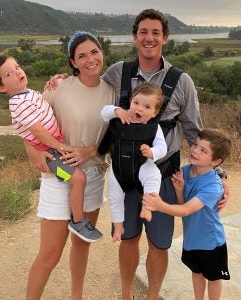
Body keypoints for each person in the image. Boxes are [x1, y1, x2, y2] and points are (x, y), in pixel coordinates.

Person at [46, 9, 229, 300]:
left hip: (163, 174)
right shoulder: (118, 72)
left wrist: (218, 176)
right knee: (128, 239)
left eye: (156, 32)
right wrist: (61, 80)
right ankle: (127, 295)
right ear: (134, 37)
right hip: (125, 171)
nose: (149, 38)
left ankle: (152, 296)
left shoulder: (182, 82)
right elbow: (88, 82)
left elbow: (196, 133)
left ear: (165, 38)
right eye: (143, 32)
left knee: (159, 244)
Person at [8, 31, 115, 299]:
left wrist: (90, 150)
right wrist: (32, 153)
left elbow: (117, 136)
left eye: (94, 51)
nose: (90, 59)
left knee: (81, 246)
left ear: (101, 52)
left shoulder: (113, 91)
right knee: (50, 253)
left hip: (93, 175)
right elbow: (29, 124)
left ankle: (76, 296)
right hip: (59, 176)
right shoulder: (59, 87)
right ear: (73, 62)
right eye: (82, 56)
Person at [0, 54, 102, 243]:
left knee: (77, 178)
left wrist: (58, 80)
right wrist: (60, 146)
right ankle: (78, 221)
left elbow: (44, 105)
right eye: (9, 74)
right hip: (51, 155)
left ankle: (76, 215)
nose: (17, 72)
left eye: (18, 67)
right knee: (79, 179)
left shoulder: (27, 94)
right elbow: (38, 131)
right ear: (1, 88)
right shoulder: (18, 104)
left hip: (54, 149)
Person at [143, 128, 231, 300]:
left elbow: (185, 210)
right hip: (191, 239)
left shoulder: (213, 186)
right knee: (196, 272)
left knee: (213, 278)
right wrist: (179, 190)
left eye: (203, 150)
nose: (195, 150)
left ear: (216, 161)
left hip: (211, 242)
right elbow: (183, 207)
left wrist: (160, 205)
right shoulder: (185, 171)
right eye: (196, 145)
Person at [99, 82, 167, 241]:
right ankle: (118, 226)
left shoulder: (153, 128)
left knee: (154, 176)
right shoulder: (120, 117)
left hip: (141, 166)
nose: (139, 109)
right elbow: (103, 112)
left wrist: (151, 152)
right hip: (118, 168)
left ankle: (147, 206)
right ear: (130, 101)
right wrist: (117, 111)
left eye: (147, 106)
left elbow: (162, 148)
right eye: (136, 103)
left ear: (155, 112)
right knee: (114, 195)